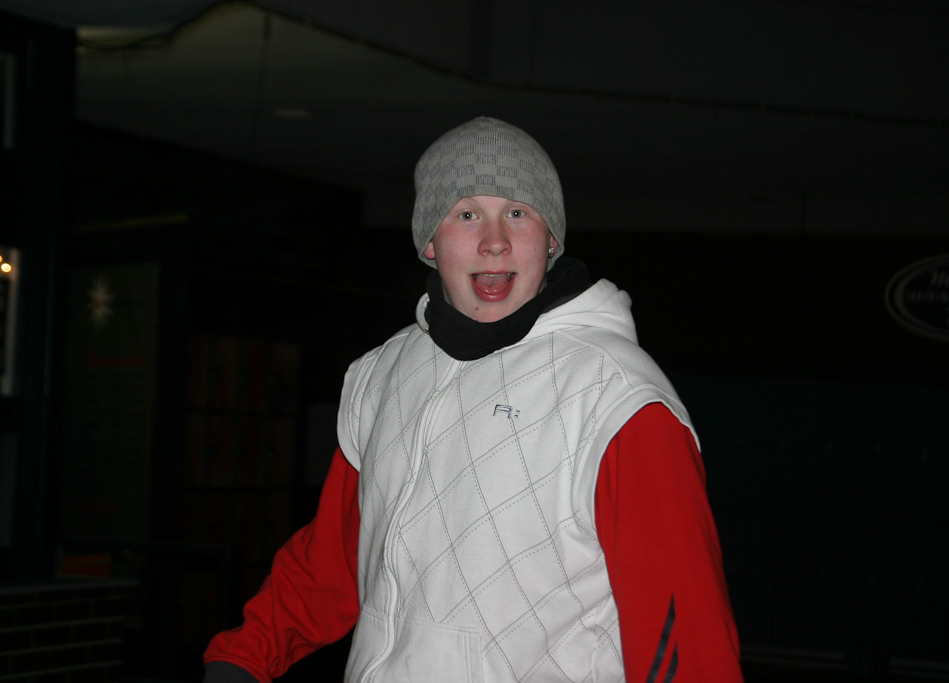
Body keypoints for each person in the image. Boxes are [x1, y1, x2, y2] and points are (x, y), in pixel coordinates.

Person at [202, 116, 743, 682]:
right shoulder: (384, 375)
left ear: (551, 239)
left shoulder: (616, 398)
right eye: (466, 214)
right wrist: (244, 657)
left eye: (519, 212)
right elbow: (335, 557)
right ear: (429, 243)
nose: (494, 240)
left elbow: (686, 636)